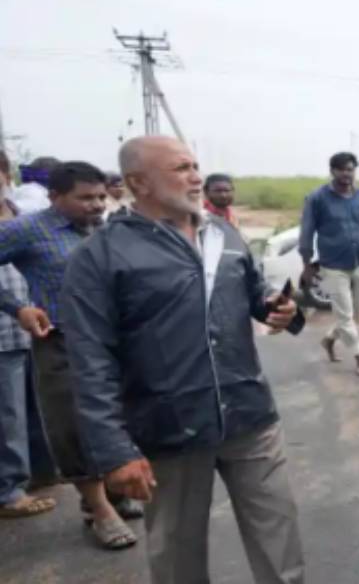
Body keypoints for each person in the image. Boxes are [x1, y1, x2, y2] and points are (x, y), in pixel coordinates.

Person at [62, 136, 306, 584]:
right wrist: (115, 450)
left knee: (280, 540)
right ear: (139, 182)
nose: (196, 177)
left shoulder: (225, 234)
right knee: (178, 556)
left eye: (196, 165)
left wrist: (280, 308)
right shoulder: (99, 257)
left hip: (250, 417)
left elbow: (254, 296)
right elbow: (89, 361)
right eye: (181, 168)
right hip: (169, 431)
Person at [0, 161, 140, 550]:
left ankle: (113, 491)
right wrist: (17, 308)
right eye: (85, 198)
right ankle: (98, 509)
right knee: (72, 426)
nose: (96, 205)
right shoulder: (29, 229)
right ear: (55, 197)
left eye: (100, 196)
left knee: (115, 417)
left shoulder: (110, 226)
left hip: (113, 340)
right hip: (62, 341)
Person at [0, 151, 56, 519]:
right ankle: (9, 491)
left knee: (36, 406)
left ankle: (40, 473)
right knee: (8, 415)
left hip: (32, 326)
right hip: (5, 329)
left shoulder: (17, 211)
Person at [299, 152, 359, 377]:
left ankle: (329, 339)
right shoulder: (317, 198)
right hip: (333, 264)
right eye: (342, 169)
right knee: (345, 316)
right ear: (332, 171)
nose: (347, 174)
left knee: (357, 312)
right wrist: (307, 264)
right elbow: (306, 232)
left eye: (350, 169)